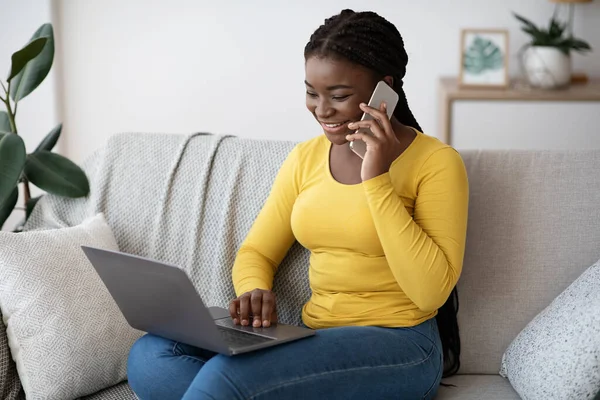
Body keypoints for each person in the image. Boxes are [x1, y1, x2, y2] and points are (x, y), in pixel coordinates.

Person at [127, 9, 469, 400]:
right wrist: (255, 288)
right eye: (312, 92)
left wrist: (376, 178)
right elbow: (257, 250)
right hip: (317, 338)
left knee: (226, 377)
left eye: (339, 96)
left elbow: (430, 294)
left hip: (401, 348)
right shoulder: (305, 158)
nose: (322, 110)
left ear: (384, 90)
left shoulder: (437, 162)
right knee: (151, 356)